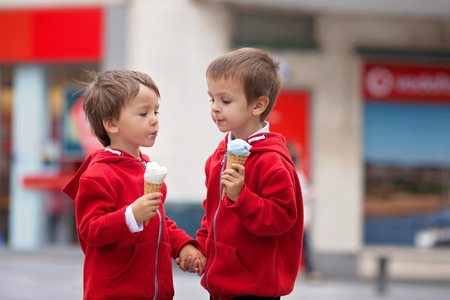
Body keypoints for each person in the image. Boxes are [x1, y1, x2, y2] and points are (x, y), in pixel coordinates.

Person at [62, 70, 206, 299]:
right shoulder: (98, 174)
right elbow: (90, 230)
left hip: (157, 292)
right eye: (143, 113)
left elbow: (158, 220)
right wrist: (131, 215)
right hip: (116, 292)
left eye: (155, 111)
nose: (154, 119)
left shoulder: (147, 168)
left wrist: (182, 245)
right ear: (111, 123)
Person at [196, 47, 304, 300]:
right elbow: (211, 211)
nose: (215, 108)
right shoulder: (218, 155)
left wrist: (241, 197)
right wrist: (201, 248)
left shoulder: (272, 161)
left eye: (226, 100)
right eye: (212, 99)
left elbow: (282, 218)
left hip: (254, 289)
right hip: (220, 282)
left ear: (258, 105)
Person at [287, 144, 323, 283]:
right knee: (301, 245)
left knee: (303, 245)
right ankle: (309, 271)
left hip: (302, 218)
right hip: (296, 218)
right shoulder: (293, 174)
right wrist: (309, 194)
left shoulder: (299, 173)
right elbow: (298, 196)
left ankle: (308, 270)